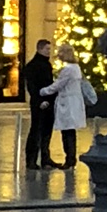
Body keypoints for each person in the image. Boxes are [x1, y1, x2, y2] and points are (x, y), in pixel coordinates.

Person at [39, 41, 97, 170]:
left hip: (68, 104)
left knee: (67, 133)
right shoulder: (76, 68)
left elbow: (58, 85)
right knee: (70, 132)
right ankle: (71, 159)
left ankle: (69, 160)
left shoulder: (68, 69)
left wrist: (42, 91)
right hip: (74, 102)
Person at [23, 38, 59, 170]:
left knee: (46, 131)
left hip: (48, 102)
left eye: (50, 49)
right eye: (47, 49)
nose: (49, 51)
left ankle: (45, 158)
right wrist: (40, 100)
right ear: (39, 49)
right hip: (40, 103)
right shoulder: (33, 66)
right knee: (36, 130)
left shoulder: (46, 64)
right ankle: (31, 159)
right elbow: (32, 87)